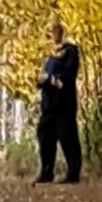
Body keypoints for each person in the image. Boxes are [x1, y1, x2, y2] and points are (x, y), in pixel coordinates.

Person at [34, 23, 82, 185]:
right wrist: (41, 80)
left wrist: (51, 80)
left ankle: (73, 173)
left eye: (56, 33)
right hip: (48, 106)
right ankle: (46, 172)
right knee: (45, 137)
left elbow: (66, 78)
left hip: (64, 105)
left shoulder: (71, 52)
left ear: (62, 34)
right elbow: (45, 75)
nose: (53, 36)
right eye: (52, 33)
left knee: (68, 139)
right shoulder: (51, 55)